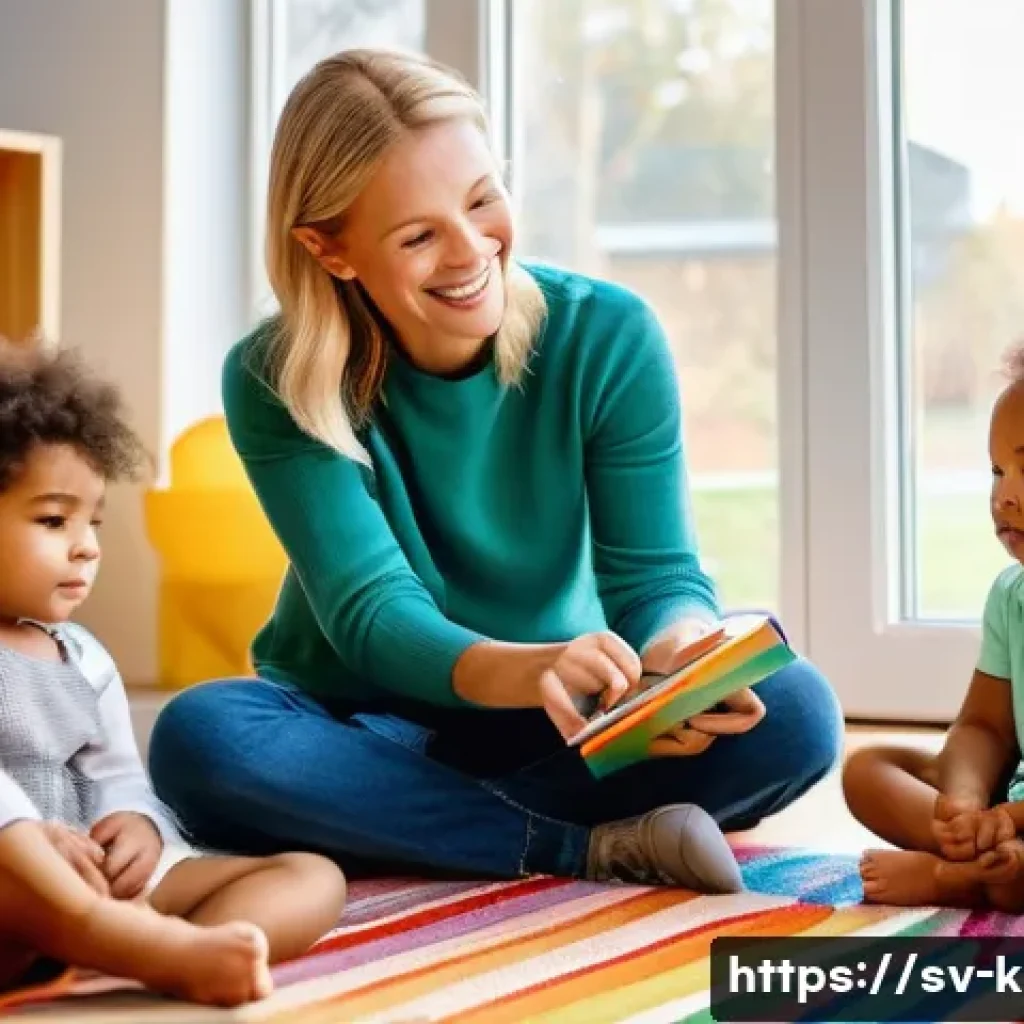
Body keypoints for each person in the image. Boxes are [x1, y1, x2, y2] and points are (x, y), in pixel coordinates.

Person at [148, 48, 842, 893]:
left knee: (797, 712)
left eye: (484, 200)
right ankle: (578, 848)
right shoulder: (276, 374)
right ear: (329, 250)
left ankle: (429, 828)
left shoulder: (609, 335)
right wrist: (530, 667)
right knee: (203, 735)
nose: (473, 250)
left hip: (564, 724)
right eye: (418, 235)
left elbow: (655, 574)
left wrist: (677, 652)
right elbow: (371, 614)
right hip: (366, 723)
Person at [0, 344, 346, 1005]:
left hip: (92, 891)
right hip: (14, 899)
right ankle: (130, 943)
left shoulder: (82, 658)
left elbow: (117, 774)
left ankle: (153, 945)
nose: (87, 545)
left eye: (92, 521)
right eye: (53, 520)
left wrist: (136, 821)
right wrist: (35, 852)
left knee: (311, 875)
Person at [845, 346, 1024, 910]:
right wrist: (967, 802)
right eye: (997, 471)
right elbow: (985, 727)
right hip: (1005, 812)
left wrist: (1007, 820)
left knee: (1011, 863)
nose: (1004, 496)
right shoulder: (1009, 596)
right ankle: (986, 861)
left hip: (1014, 818)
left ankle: (957, 879)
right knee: (867, 770)